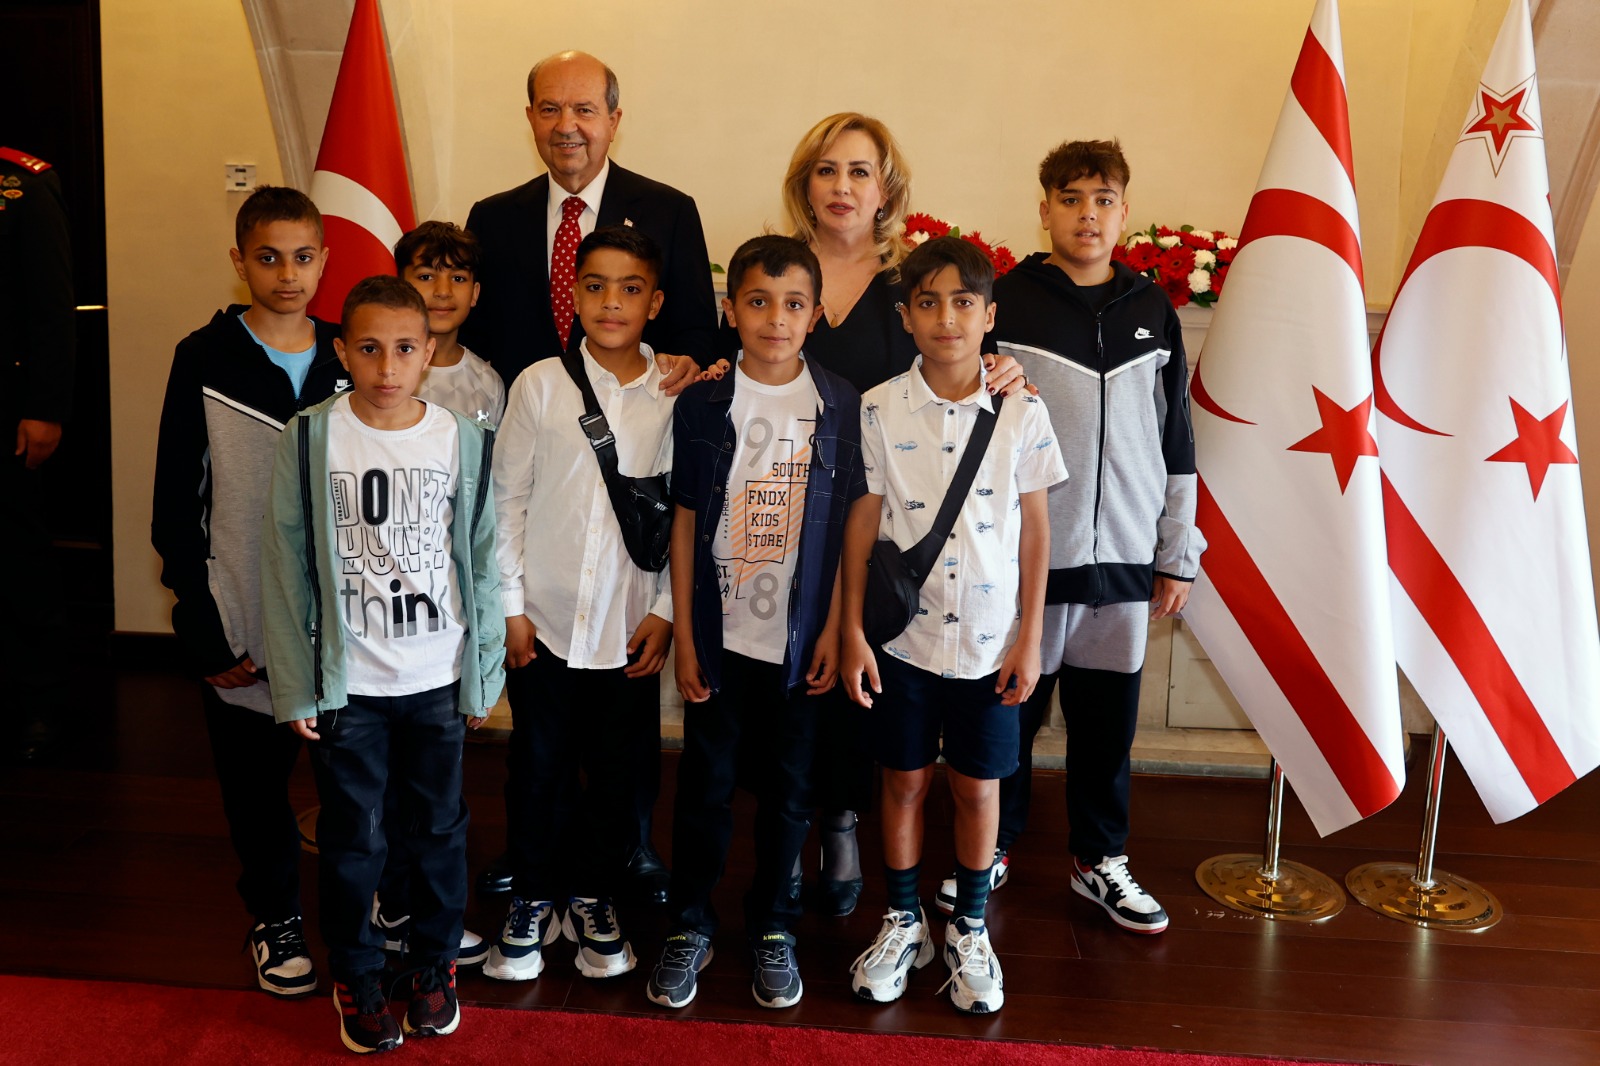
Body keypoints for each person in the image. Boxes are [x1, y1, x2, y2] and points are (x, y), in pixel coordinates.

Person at [716, 113, 1032, 917]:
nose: (842, 186)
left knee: (863, 679)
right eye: (826, 170)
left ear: (886, 187)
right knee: (787, 682)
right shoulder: (778, 271)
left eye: (860, 171)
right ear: (804, 183)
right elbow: (734, 364)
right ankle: (786, 835)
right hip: (781, 512)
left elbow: (963, 360)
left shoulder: (910, 286)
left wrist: (1006, 368)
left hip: (878, 524)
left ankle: (843, 822)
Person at [465, 49, 715, 899]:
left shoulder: (669, 210)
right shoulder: (494, 217)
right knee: (539, 739)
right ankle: (536, 860)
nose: (566, 126)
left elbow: (698, 334)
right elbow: (485, 345)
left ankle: (623, 853)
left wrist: (680, 368)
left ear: (613, 118)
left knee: (622, 733)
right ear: (530, 118)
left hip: (636, 459)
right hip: (537, 477)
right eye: (549, 109)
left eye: (583, 109)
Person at [260, 275, 506, 1053]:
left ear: (429, 351)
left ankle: (434, 966)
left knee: (439, 830)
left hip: (437, 677)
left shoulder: (460, 438)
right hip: (350, 684)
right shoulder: (310, 438)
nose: (387, 366)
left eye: (404, 348)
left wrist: (485, 671)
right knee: (354, 838)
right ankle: (358, 973)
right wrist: (297, 684)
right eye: (368, 348)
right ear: (341, 351)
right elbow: (285, 565)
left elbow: (482, 561)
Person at [841, 237, 1065, 1014]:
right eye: (928, 303)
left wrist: (1031, 637)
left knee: (978, 787)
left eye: (964, 303)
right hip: (902, 641)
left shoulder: (1023, 409)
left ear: (989, 315)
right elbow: (863, 522)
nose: (947, 319)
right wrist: (852, 630)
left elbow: (1038, 532)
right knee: (901, 781)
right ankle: (903, 918)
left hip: (989, 644)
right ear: (905, 316)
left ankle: (969, 925)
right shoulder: (878, 406)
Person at [988, 139, 1204, 936]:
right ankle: (990, 847)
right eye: (1072, 198)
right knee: (1008, 719)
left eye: (1104, 200)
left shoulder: (1153, 310)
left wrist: (1176, 553)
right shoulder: (1004, 304)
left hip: (1125, 561)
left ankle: (1099, 859)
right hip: (1028, 562)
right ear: (1044, 208)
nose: (1088, 214)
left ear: (1123, 211)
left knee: (1107, 729)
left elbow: (1176, 438)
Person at [646, 236, 865, 1011]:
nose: (776, 319)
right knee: (704, 788)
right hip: (721, 636)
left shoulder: (840, 403)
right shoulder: (703, 402)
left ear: (817, 314)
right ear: (731, 309)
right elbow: (684, 521)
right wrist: (685, 634)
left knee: (791, 792)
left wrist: (835, 627)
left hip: (799, 644)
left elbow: (850, 525)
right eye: (759, 302)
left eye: (794, 304)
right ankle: (690, 923)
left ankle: (774, 925)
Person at [151, 185, 339, 999]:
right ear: (240, 261)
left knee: (353, 788)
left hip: (340, 631)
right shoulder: (204, 358)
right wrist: (201, 623)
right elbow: (175, 505)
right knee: (256, 791)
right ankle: (275, 917)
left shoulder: (351, 353)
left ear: (325, 260)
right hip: (244, 622)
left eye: (302, 257)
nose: (287, 275)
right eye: (268, 258)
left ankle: (367, 909)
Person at [484, 226, 676, 983]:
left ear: (655, 302)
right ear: (572, 293)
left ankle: (594, 895)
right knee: (537, 766)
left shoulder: (675, 393)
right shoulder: (539, 385)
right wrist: (511, 607)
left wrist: (664, 609)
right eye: (594, 285)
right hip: (546, 625)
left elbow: (684, 516)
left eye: (631, 288)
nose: (611, 302)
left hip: (629, 627)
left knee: (618, 774)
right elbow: (507, 502)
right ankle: (533, 895)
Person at [1, 146, 75, 764]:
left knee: (17, 554)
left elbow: (52, 304)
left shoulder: (21, 183)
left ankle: (38, 703)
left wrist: (46, 406)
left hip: (9, 404)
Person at [397, 220, 506, 424]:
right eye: (426, 277)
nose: (443, 291)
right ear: (400, 286)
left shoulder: (488, 383)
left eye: (458, 279)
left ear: (475, 293)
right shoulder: (381, 370)